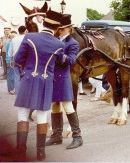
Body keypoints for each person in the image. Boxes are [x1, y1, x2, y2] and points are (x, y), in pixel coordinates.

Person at [14, 10, 64, 161]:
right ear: (56, 29)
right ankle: (40, 153)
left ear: (43, 22)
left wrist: (28, 68)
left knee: (23, 116)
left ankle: (21, 151)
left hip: (28, 79)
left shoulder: (30, 37)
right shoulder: (59, 44)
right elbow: (60, 62)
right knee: (42, 117)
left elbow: (17, 59)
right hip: (45, 82)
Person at [45, 14, 83, 149]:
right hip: (53, 78)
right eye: (58, 29)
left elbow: (72, 61)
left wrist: (59, 52)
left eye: (60, 29)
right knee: (54, 106)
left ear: (67, 29)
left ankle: (77, 137)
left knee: (68, 106)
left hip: (63, 78)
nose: (58, 31)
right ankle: (56, 136)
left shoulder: (73, 43)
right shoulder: (55, 39)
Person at [8, 25, 27, 94]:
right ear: (25, 31)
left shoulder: (14, 39)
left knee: (16, 77)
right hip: (24, 60)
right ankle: (24, 93)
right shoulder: (26, 39)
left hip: (15, 59)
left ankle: (18, 93)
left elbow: (10, 51)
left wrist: (11, 60)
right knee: (25, 76)